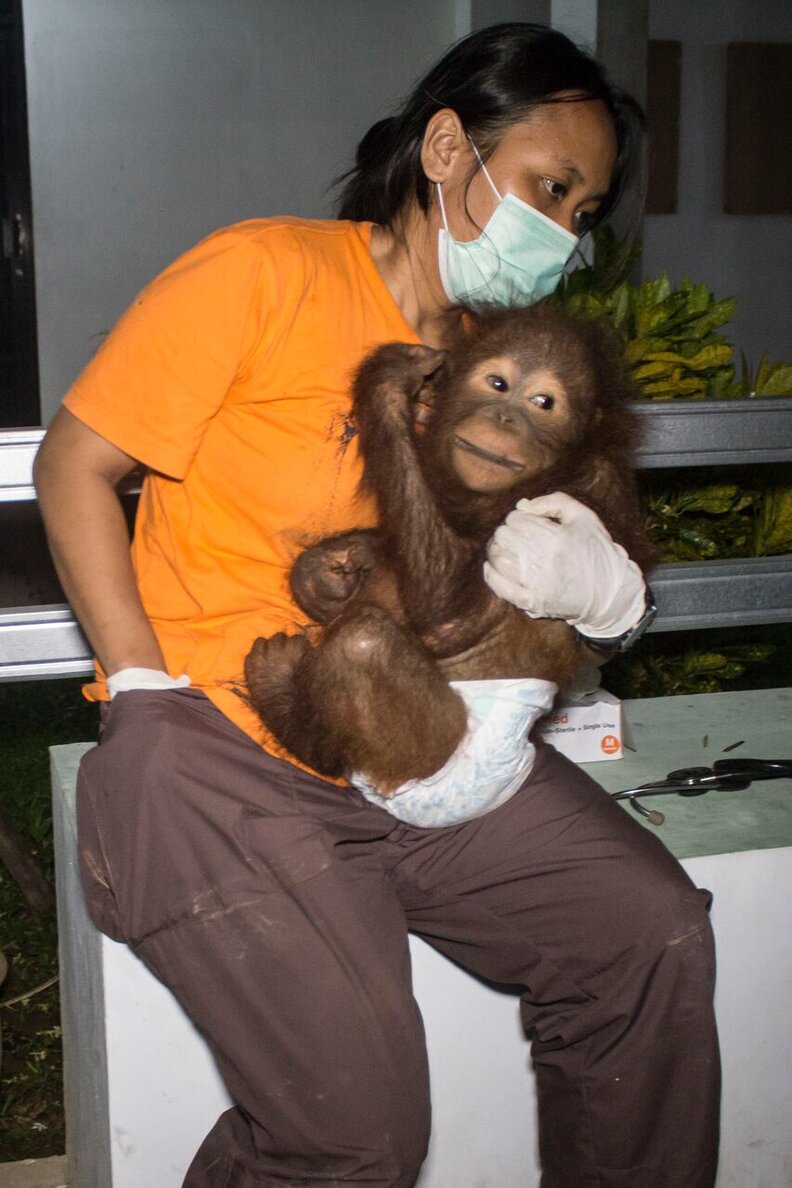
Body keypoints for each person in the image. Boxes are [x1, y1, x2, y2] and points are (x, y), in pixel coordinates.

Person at [34, 22, 720, 1188]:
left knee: (645, 933)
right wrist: (142, 688)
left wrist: (604, 597)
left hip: (418, 740)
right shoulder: (267, 271)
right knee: (354, 1132)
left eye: (587, 212)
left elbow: (543, 577)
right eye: (550, 188)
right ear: (448, 148)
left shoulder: (501, 366)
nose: (563, 231)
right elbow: (75, 466)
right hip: (221, 744)